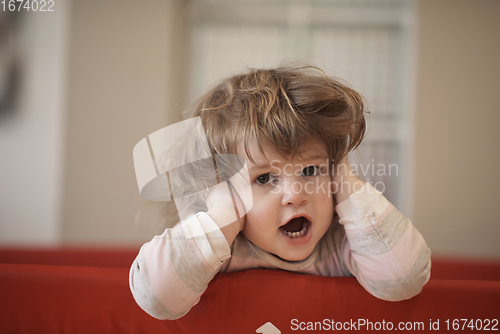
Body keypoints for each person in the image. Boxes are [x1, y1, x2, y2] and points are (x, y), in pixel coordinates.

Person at [129, 65, 431, 320]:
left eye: (310, 171)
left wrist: (348, 185)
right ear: (222, 192)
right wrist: (222, 215)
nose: (295, 195)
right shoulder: (220, 250)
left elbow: (404, 280)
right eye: (264, 179)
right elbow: (157, 297)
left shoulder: (344, 245)